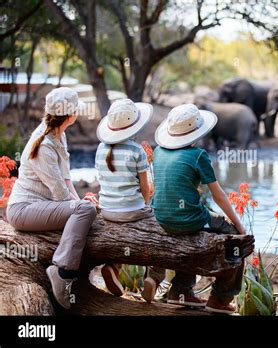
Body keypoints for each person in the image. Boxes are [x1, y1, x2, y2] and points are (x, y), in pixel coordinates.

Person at [6, 87, 98, 309]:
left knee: (86, 208)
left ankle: (65, 272)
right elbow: (59, 194)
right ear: (71, 114)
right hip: (23, 210)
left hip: (40, 206)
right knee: (85, 211)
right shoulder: (44, 144)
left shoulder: (59, 135)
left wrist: (82, 201)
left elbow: (66, 180)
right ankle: (63, 271)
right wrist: (82, 206)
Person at [152, 103, 246, 314]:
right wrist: (239, 225)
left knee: (190, 233)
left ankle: (181, 290)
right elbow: (218, 195)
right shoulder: (198, 155)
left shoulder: (158, 151)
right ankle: (220, 298)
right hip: (190, 219)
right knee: (236, 240)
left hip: (161, 217)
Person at [95, 98, 163, 302]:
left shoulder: (100, 149)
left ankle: (113, 267)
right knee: (161, 235)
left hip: (107, 210)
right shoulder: (136, 151)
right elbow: (145, 188)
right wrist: (145, 206)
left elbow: (102, 181)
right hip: (132, 211)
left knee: (121, 235)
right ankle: (154, 278)